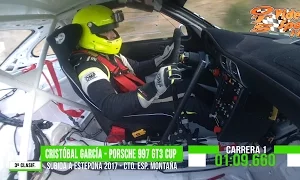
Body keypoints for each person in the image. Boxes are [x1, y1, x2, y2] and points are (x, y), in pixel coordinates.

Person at [70, 5, 215, 139]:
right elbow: (111, 107)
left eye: (112, 29)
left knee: (190, 84)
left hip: (133, 98)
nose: (113, 35)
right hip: (128, 115)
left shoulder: (106, 55)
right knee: (190, 102)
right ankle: (221, 133)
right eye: (104, 31)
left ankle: (218, 114)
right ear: (88, 34)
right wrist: (154, 87)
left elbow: (135, 68)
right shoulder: (89, 67)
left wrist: (161, 59)